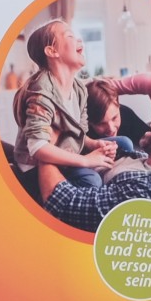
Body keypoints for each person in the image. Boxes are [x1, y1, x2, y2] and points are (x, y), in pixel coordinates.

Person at [36, 113, 151, 232]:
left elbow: (62, 202)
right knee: (124, 143)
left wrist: (44, 146)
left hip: (47, 194)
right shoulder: (147, 160)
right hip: (71, 164)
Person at [13, 20, 117, 190]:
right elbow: (37, 147)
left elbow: (78, 134)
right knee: (92, 181)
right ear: (52, 51)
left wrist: (94, 144)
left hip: (67, 153)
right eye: (70, 36)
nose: (79, 41)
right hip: (36, 168)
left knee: (124, 144)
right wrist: (86, 160)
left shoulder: (79, 90)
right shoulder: (41, 93)